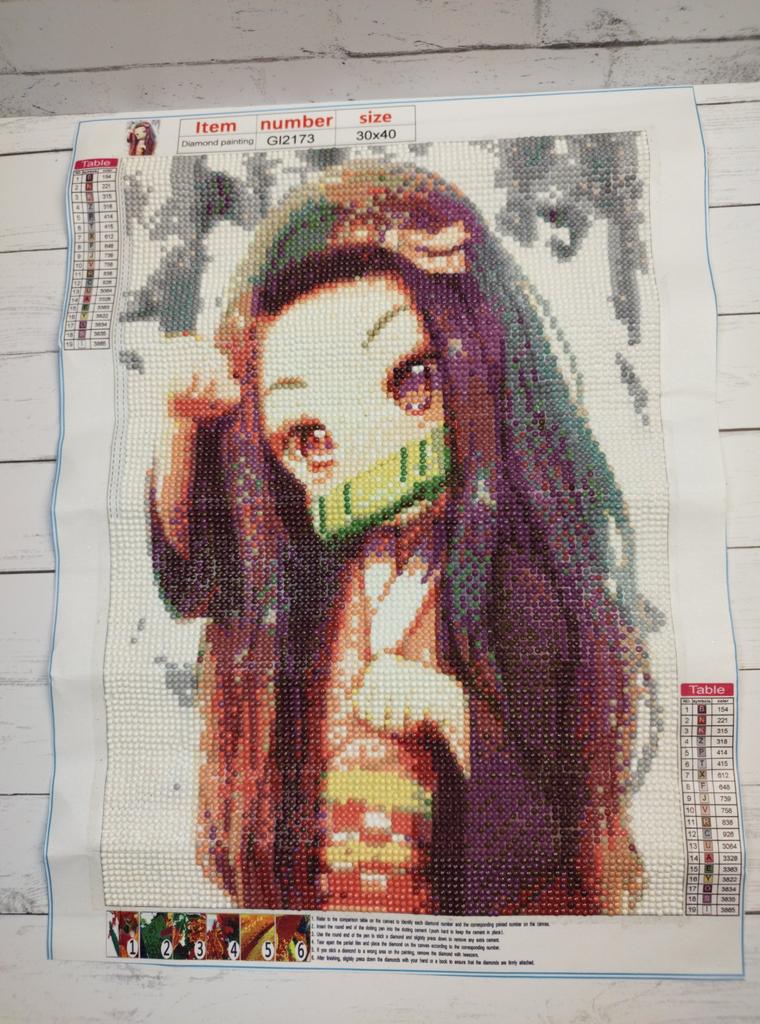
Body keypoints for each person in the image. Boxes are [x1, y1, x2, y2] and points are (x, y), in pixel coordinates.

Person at [148, 159, 648, 915]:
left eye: (413, 379)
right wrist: (181, 427)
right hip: (324, 911)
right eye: (310, 436)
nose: (372, 450)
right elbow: (196, 581)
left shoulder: (513, 588)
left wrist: (448, 710)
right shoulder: (308, 580)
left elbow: (551, 824)